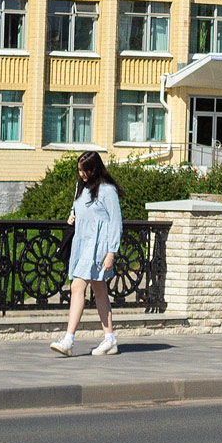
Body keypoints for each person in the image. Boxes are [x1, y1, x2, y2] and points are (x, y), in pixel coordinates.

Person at [50, 151, 124, 357]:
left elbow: (115, 223)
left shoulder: (108, 191)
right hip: (81, 244)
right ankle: (110, 339)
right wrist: (72, 217)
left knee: (77, 286)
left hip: (98, 247)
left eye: (85, 170)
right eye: (79, 170)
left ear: (95, 168)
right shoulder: (80, 188)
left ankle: (68, 339)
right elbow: (78, 210)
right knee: (100, 291)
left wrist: (111, 253)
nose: (81, 174)